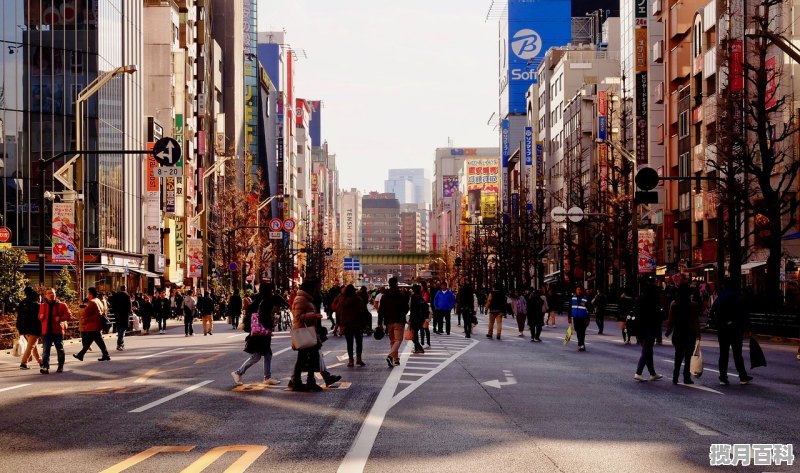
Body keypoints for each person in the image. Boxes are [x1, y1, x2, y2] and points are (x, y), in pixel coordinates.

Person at [232, 283, 280, 386]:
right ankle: (239, 372)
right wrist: (271, 324)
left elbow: (249, 318)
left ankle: (267, 376)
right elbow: (264, 317)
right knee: (259, 355)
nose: (272, 292)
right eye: (271, 290)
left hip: (257, 332)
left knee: (265, 354)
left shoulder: (255, 301)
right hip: (260, 334)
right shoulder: (266, 301)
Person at [709, 278, 753, 385]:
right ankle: (742, 376)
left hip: (723, 329)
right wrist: (748, 328)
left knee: (723, 353)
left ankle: (723, 377)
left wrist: (718, 324)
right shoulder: (738, 298)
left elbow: (712, 312)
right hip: (736, 328)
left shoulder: (720, 298)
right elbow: (744, 314)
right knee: (737, 353)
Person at [290, 279, 324, 392]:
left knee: (312, 357)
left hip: (308, 331)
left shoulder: (305, 298)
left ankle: (308, 381)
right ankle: (298, 382)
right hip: (303, 332)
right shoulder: (301, 299)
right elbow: (298, 317)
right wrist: (313, 315)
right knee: (302, 358)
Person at [665, 283, 701, 385]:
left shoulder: (674, 304)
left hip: (678, 332)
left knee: (678, 356)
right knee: (688, 356)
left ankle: (675, 376)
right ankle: (686, 377)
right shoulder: (693, 305)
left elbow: (671, 319)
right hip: (690, 333)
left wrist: (668, 331)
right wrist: (698, 333)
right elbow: (695, 321)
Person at [633, 281, 665, 381]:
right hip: (649, 327)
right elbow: (657, 316)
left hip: (640, 327)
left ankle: (652, 373)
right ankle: (638, 372)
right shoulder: (653, 300)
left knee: (648, 351)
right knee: (647, 350)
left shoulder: (639, 299)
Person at [37, 288, 71, 374]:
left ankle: (60, 366)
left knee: (60, 349)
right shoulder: (42, 306)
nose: (51, 295)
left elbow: (68, 315)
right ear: (45, 295)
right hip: (46, 331)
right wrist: (40, 317)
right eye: (49, 293)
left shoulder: (62, 305)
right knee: (45, 350)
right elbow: (39, 317)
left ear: (55, 294)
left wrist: (60, 318)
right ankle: (45, 367)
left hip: (57, 331)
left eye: (52, 293)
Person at [377, 277, 409, 367]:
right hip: (399, 320)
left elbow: (381, 310)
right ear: (396, 284)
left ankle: (396, 359)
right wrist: (402, 313)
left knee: (392, 340)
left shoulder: (384, 296)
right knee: (398, 340)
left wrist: (380, 322)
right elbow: (406, 308)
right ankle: (391, 356)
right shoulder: (401, 295)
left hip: (388, 321)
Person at [73, 287, 111, 362]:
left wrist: (83, 313)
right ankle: (105, 354)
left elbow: (85, 313)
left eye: (88, 293)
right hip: (97, 324)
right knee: (97, 341)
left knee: (90, 341)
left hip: (92, 325)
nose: (87, 295)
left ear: (91, 294)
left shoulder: (92, 302)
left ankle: (81, 355)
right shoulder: (98, 301)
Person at [337, 284, 368, 366]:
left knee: (349, 343)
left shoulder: (342, 300)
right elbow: (363, 311)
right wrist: (365, 323)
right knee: (359, 342)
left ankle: (351, 361)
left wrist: (340, 323)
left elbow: (339, 311)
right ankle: (359, 359)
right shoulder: (358, 299)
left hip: (347, 324)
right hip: (357, 323)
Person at [16, 287, 42, 370]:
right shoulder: (37, 305)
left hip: (24, 328)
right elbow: (40, 318)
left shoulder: (22, 303)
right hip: (35, 328)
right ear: (36, 297)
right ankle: (24, 363)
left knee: (33, 346)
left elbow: (19, 317)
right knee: (31, 346)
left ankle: (41, 362)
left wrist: (19, 328)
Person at [109, 286, 131, 351]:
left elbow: (113, 305)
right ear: (125, 289)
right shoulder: (127, 296)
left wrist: (115, 311)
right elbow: (129, 307)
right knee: (122, 329)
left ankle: (121, 343)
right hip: (124, 314)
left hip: (117, 314)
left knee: (119, 328)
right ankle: (119, 343)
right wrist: (129, 312)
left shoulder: (116, 295)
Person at [568, 286, 590, 351]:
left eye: (580, 290)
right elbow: (570, 308)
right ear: (575, 290)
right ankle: (580, 343)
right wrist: (569, 317)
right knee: (577, 330)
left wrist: (588, 319)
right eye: (577, 289)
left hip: (583, 318)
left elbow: (588, 309)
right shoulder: (573, 298)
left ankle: (582, 344)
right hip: (575, 318)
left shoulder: (585, 299)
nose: (579, 291)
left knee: (582, 331)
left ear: (582, 290)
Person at [408, 284, 428, 352]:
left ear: (413, 290)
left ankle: (419, 347)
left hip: (415, 318)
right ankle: (417, 348)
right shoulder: (420, 297)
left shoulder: (413, 297)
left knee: (414, 334)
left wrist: (410, 319)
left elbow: (412, 309)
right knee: (416, 333)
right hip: (421, 318)